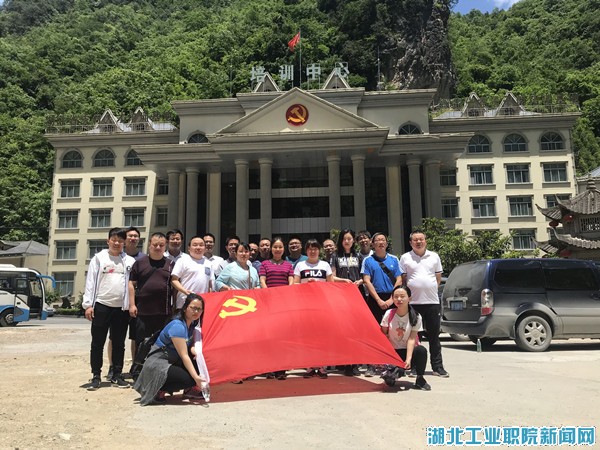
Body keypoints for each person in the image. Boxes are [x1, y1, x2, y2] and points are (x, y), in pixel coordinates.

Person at [83, 228, 135, 391]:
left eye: (120, 240)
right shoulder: (99, 259)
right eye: (114, 240)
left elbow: (132, 284)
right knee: (97, 343)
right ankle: (96, 376)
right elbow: (90, 281)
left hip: (121, 308)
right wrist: (88, 305)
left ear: (124, 243)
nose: (117, 243)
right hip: (101, 306)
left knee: (119, 343)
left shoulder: (129, 261)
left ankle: (117, 375)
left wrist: (131, 305)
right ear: (108, 241)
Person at [133, 293, 206, 405]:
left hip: (171, 360)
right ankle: (157, 389)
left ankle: (188, 390)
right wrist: (196, 377)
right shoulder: (178, 326)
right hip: (158, 363)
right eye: (193, 308)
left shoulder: (191, 324)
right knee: (188, 380)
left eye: (199, 309)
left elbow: (188, 342)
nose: (196, 311)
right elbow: (184, 355)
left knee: (196, 360)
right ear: (185, 308)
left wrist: (194, 350)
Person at [400, 230, 448, 378]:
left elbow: (437, 278)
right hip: (414, 303)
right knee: (415, 338)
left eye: (421, 239)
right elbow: (403, 280)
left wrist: (428, 288)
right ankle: (415, 368)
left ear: (425, 241)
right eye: (415, 240)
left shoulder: (434, 256)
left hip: (432, 302)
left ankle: (438, 367)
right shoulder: (405, 258)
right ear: (410, 242)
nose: (419, 242)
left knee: (434, 337)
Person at [128, 232, 173, 379]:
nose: (158, 247)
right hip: (142, 311)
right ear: (149, 245)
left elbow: (174, 287)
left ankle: (157, 371)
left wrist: (173, 308)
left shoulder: (170, 264)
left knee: (160, 344)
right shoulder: (139, 263)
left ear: (165, 246)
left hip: (163, 312)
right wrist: (132, 304)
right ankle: (137, 372)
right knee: (141, 343)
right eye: (155, 245)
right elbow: (131, 284)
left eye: (161, 245)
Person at [361, 232, 402, 377]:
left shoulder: (394, 259)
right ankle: (372, 364)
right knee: (374, 332)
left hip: (392, 298)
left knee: (392, 331)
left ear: (386, 243)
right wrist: (378, 300)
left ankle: (392, 363)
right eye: (377, 240)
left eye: (383, 240)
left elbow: (399, 279)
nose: (380, 242)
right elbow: (366, 280)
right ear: (373, 244)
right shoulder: (368, 260)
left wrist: (391, 299)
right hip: (374, 299)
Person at [294, 239, 333, 379]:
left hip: (322, 306)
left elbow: (331, 284)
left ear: (319, 250)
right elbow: (295, 284)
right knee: (307, 336)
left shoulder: (325, 265)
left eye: (315, 248)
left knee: (322, 336)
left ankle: (322, 366)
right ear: (306, 251)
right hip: (305, 306)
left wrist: (318, 284)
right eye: (310, 249)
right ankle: (309, 365)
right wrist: (306, 285)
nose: (312, 251)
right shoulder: (300, 265)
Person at [380, 285, 431, 391]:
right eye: (396, 297)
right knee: (391, 378)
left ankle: (420, 379)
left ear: (409, 298)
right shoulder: (389, 314)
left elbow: (412, 339)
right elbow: (383, 335)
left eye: (402, 296)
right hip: (393, 352)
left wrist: (408, 360)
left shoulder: (416, 316)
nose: (399, 299)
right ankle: (392, 375)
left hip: (409, 351)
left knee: (421, 350)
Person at [258, 237, 294, 380]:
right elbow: (262, 280)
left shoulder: (288, 265)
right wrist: (269, 294)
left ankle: (281, 369)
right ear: (271, 249)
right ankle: (269, 368)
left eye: (280, 247)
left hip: (284, 304)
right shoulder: (265, 264)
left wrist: (285, 296)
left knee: (283, 337)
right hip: (268, 304)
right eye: (275, 247)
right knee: (269, 336)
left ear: (283, 249)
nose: (278, 249)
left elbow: (291, 282)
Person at [330, 229, 364, 376]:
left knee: (356, 329)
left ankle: (355, 363)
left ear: (353, 241)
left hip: (357, 294)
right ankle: (344, 362)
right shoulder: (335, 256)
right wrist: (344, 281)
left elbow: (364, 276)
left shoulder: (358, 256)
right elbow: (332, 277)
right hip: (341, 296)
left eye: (349, 239)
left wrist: (359, 281)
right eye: (344, 239)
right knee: (343, 329)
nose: (347, 241)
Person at [171, 236, 214, 311]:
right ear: (189, 248)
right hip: (184, 302)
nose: (198, 247)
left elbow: (210, 284)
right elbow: (174, 280)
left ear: (205, 248)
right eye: (195, 245)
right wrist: (185, 291)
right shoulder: (182, 260)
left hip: (201, 304)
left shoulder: (208, 263)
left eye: (201, 245)